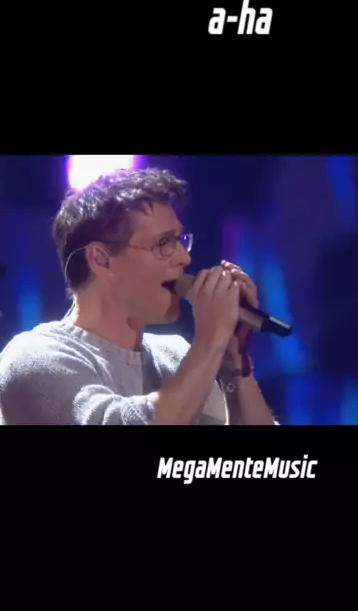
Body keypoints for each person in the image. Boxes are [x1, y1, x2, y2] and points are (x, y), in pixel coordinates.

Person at [0, 168, 277, 425]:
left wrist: (232, 362)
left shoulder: (175, 355)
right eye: (164, 243)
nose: (184, 258)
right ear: (101, 259)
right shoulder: (36, 356)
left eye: (181, 241)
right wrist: (208, 342)